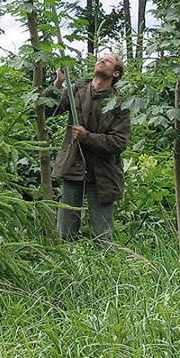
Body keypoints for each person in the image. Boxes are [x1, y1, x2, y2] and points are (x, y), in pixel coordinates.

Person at [48, 53, 130, 243]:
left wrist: (87, 137)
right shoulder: (77, 89)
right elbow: (50, 110)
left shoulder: (120, 104)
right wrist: (58, 84)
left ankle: (107, 271)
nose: (101, 61)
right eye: (100, 59)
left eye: (108, 61)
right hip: (72, 166)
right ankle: (68, 269)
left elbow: (119, 142)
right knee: (66, 232)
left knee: (104, 237)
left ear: (116, 74)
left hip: (103, 174)